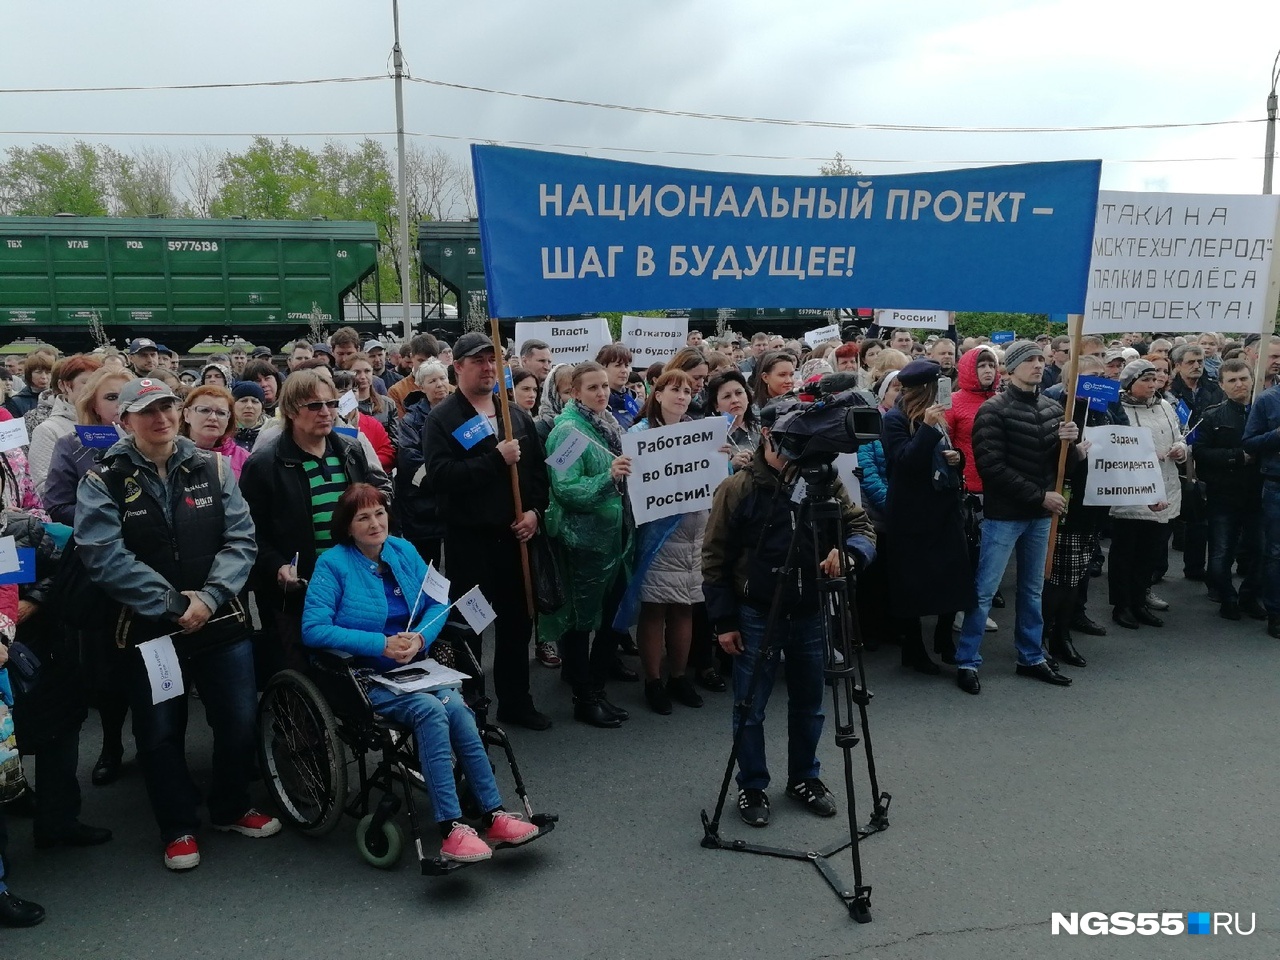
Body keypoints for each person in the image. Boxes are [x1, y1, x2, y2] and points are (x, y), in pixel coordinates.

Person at [74, 377, 273, 871]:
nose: (160, 417)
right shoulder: (103, 479)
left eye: (166, 406)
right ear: (125, 421)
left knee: (239, 720)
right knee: (161, 730)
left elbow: (241, 539)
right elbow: (103, 556)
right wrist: (170, 603)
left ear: (178, 412)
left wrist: (207, 598)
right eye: (147, 410)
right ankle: (178, 826)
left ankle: (229, 807)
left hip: (220, 620)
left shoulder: (214, 466)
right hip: (150, 630)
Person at [301, 483, 539, 862]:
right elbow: (313, 629)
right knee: (430, 711)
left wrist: (418, 639)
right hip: (362, 676)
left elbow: (437, 604)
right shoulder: (332, 564)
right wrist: (381, 644)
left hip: (415, 666)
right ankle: (451, 828)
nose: (375, 523)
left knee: (458, 709)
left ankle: (493, 813)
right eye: (363, 517)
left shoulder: (403, 550)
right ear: (347, 527)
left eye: (379, 513)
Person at [703, 398, 876, 827]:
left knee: (810, 705)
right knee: (750, 707)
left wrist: (850, 556)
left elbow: (862, 526)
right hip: (756, 613)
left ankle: (805, 778)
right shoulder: (737, 488)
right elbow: (714, 559)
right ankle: (752, 785)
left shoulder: (822, 479)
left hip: (811, 610)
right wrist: (724, 622)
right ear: (766, 434)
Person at [422, 333, 550, 730]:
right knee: (472, 626)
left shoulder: (516, 415)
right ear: (457, 366)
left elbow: (537, 475)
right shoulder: (442, 418)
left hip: (515, 542)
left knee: (517, 622)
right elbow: (441, 478)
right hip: (471, 545)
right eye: (477, 361)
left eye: (492, 360)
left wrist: (534, 513)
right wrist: (495, 459)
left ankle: (516, 700)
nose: (487, 367)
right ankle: (473, 706)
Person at [240, 370, 391, 678]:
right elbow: (250, 533)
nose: (326, 412)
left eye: (332, 403)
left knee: (354, 672)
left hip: (352, 584)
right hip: (297, 593)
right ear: (292, 410)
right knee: (301, 674)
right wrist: (277, 566)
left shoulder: (351, 453)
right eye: (315, 405)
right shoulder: (264, 465)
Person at [954, 341, 1080, 695]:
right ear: (1010, 369)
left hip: (1040, 515)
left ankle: (1030, 656)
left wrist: (1073, 445)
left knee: (1032, 589)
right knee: (984, 591)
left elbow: (1062, 468)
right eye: (1029, 360)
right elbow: (991, 467)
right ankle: (967, 660)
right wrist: (1040, 496)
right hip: (1005, 515)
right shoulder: (992, 411)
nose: (1038, 365)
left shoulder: (1055, 409)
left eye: (1041, 359)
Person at [542, 362, 633, 728]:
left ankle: (596, 687)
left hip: (615, 539)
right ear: (574, 391)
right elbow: (564, 488)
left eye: (604, 386)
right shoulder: (566, 432)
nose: (601, 393)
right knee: (582, 622)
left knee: (611, 618)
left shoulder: (609, 424)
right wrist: (608, 479)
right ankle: (585, 696)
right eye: (592, 387)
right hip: (584, 542)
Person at [616, 371, 706, 714]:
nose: (682, 396)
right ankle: (653, 681)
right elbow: (632, 489)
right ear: (658, 394)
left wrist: (723, 456)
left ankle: (679, 677)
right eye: (675, 390)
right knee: (655, 608)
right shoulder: (639, 435)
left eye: (687, 390)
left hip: (693, 536)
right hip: (657, 536)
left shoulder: (698, 433)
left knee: (685, 607)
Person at [880, 360, 973, 673]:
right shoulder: (895, 419)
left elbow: (948, 458)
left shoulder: (938, 416)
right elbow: (905, 461)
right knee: (913, 584)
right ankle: (914, 650)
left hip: (943, 509)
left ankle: (944, 639)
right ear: (925, 390)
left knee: (953, 575)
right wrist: (929, 429)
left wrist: (957, 459)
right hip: (911, 514)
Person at [1109, 360, 1186, 629]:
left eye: (1155, 379)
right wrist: (1142, 456)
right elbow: (1111, 445)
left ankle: (1139, 601)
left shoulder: (1165, 405)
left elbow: (1180, 436)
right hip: (1131, 490)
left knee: (1150, 552)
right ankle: (1122, 605)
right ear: (1130, 383)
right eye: (1146, 380)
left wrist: (1180, 449)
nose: (1153, 384)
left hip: (1164, 487)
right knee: (1125, 552)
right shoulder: (1116, 408)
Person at [1195, 359, 1265, 622]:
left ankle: (1249, 597)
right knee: (1220, 554)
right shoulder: (1212, 415)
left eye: (1244, 379)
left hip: (1257, 494)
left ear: (1252, 379)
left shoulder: (1264, 411)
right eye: (1233, 381)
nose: (1239, 385)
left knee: (1261, 550)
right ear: (1222, 385)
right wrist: (1237, 457)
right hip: (1223, 496)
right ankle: (1228, 597)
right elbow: (1200, 453)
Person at [395, 361, 448, 568]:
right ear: (421, 386)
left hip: (454, 506)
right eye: (432, 380)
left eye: (442, 378)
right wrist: (448, 473)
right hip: (422, 510)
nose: (439, 384)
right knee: (428, 570)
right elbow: (410, 461)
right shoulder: (411, 420)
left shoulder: (461, 413)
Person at [1242, 364, 1280, 638]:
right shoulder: (1268, 399)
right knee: (1276, 553)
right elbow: (1249, 442)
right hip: (1277, 485)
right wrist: (1277, 435)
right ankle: (1275, 614)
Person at [30, 354, 102, 497]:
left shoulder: (111, 422)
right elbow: (44, 488)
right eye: (86, 383)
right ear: (64, 385)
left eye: (99, 384)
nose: (93, 390)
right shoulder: (48, 430)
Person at [180, 385, 249, 479]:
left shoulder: (244, 459)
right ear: (187, 415)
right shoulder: (171, 454)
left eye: (221, 413)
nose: (213, 418)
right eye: (204, 410)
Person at [596, 344, 640, 429]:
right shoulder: (596, 405)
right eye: (618, 365)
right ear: (603, 368)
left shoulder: (639, 402)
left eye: (626, 365)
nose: (624, 370)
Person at [3, 352, 52, 419]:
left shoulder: (60, 397)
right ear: (29, 375)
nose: (44, 376)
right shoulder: (16, 401)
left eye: (48, 373)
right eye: (38, 372)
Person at [231, 381, 267, 452]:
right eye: (243, 401)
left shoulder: (272, 433)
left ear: (262, 407)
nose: (249, 406)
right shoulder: (223, 434)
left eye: (254, 401)